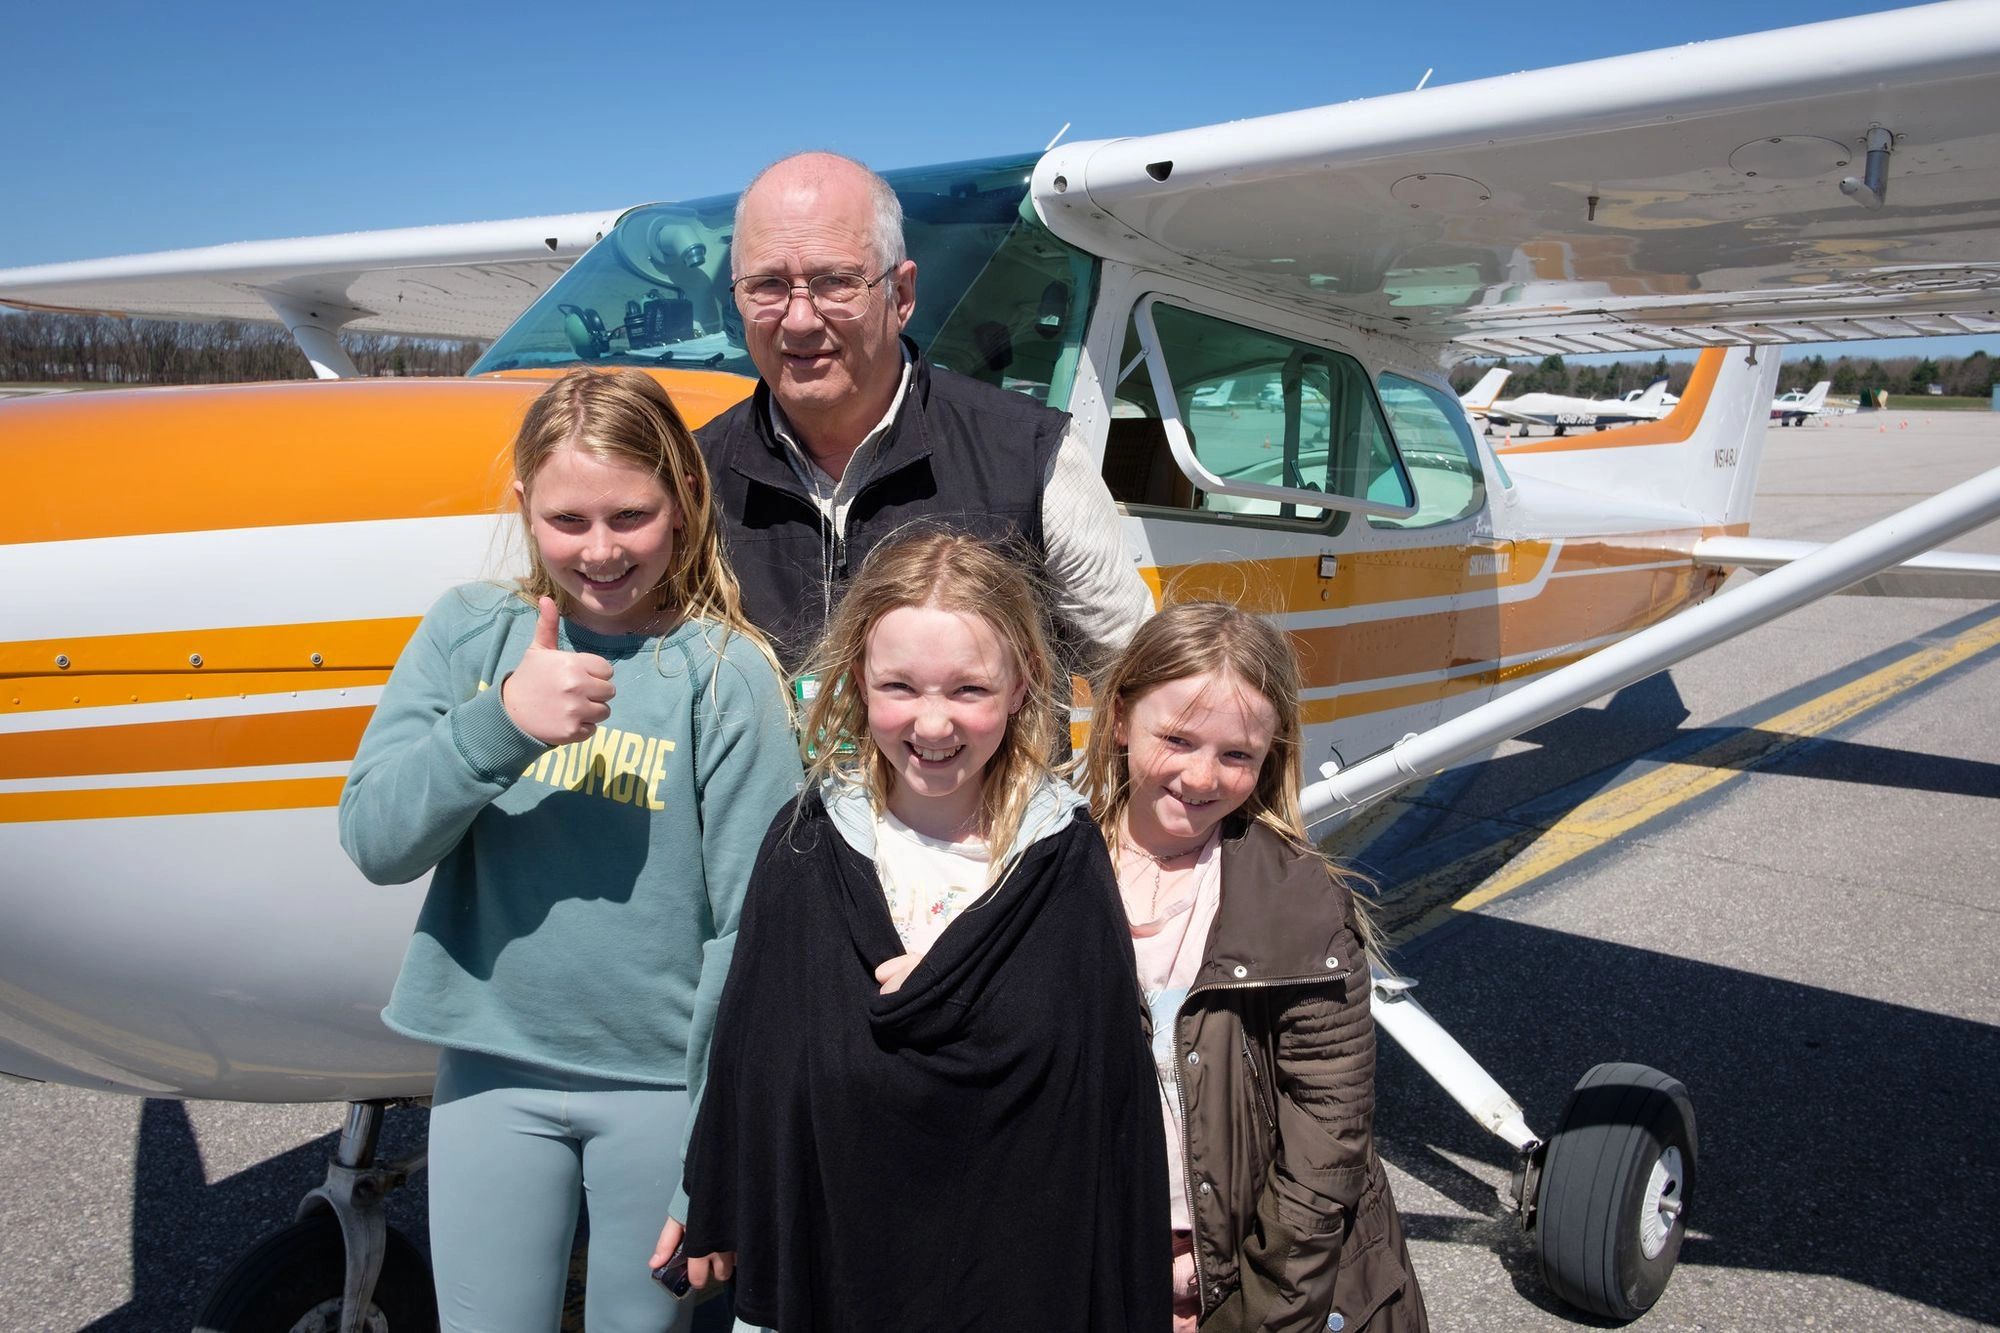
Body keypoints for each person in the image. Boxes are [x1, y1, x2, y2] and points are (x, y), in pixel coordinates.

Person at [338, 368, 802, 1333]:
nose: (599, 550)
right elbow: (377, 839)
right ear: (524, 506)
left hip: (661, 1094)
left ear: (682, 501)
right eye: (567, 519)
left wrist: (720, 1142)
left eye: (630, 515)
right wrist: (499, 723)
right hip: (492, 1073)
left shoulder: (725, 675)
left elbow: (755, 934)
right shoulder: (471, 634)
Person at [654, 530, 1170, 1332]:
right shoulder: (808, 843)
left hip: (1009, 1279)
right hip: (830, 1269)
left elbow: (1102, 1097)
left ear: (1024, 680)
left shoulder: (1062, 857)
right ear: (858, 678)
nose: (933, 723)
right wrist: (715, 1194)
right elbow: (753, 1048)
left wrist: (972, 984)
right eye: (901, 685)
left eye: (968, 689)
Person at [1082, 602, 1429, 1333]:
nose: (1202, 776)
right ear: (1119, 719)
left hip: (1264, 1277)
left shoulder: (1301, 901)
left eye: (1237, 755)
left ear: (1270, 755)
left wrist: (1258, 1311)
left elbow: (1326, 1143)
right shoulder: (1046, 874)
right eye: (1175, 738)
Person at [697, 150, 1152, 676]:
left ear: (903, 295)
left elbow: (1138, 681)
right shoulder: (691, 476)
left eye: (836, 281)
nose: (798, 320)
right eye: (768, 286)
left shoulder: (1031, 456)